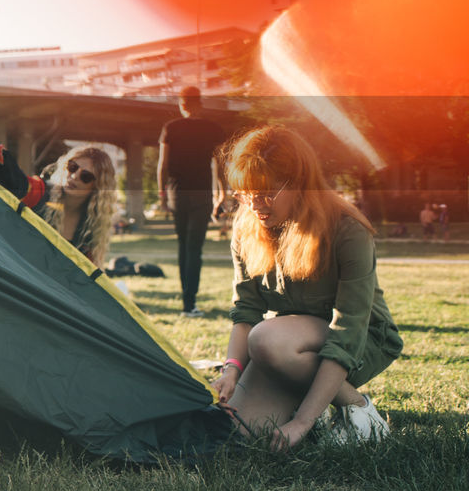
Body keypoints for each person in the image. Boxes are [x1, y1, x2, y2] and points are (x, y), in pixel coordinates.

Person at [211, 126, 403, 452]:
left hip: (360, 342)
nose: (256, 205)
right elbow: (246, 310)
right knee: (242, 432)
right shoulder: (247, 228)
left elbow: (348, 330)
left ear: (299, 183)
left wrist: (303, 422)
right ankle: (321, 404)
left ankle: (357, 409)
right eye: (245, 194)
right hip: (287, 348)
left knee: (267, 338)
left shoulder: (347, 230)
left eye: (267, 193)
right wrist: (232, 370)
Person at [0, 127, 116, 268]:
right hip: (8, 269)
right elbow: (16, 181)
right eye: (72, 167)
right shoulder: (41, 192)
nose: (74, 176)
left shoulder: (90, 228)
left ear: (97, 188)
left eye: (86, 176)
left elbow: (86, 275)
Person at [157, 86, 228, 317]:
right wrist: (222, 194)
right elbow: (219, 165)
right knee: (194, 249)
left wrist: (162, 195)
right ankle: (191, 303)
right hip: (202, 194)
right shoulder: (213, 129)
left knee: (183, 247)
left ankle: (186, 303)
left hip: (178, 193)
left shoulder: (171, 128)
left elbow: (163, 165)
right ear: (200, 103)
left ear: (182, 104)